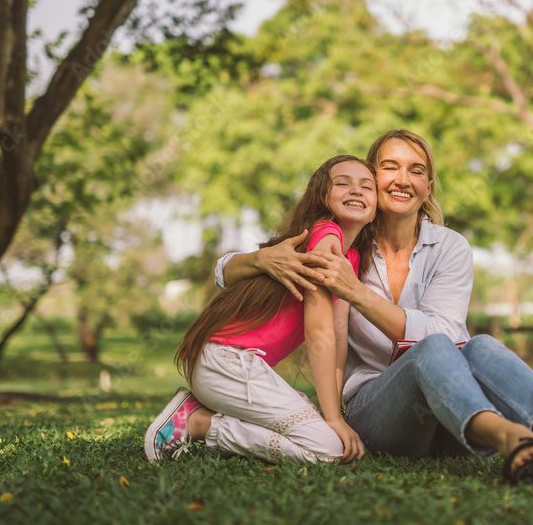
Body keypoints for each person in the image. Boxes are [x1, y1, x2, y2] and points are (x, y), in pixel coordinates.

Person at [212, 130, 533, 484]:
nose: (402, 179)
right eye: (390, 167)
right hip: (382, 415)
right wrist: (258, 260)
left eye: (417, 170)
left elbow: (443, 334)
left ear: (428, 186)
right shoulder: (345, 241)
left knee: (478, 345)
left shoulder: (449, 247)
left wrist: (355, 292)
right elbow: (225, 267)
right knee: (433, 349)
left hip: (455, 416)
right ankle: (512, 440)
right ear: (371, 177)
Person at [144, 155, 377, 465]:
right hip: (226, 362)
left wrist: (334, 414)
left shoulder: (352, 257)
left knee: (328, 438)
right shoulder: (324, 234)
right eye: (342, 183)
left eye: (367, 186)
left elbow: (336, 333)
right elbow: (319, 331)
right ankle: (198, 423)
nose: (356, 191)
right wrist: (332, 419)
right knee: (328, 450)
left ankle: (200, 412)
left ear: (377, 205)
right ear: (322, 195)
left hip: (230, 365)